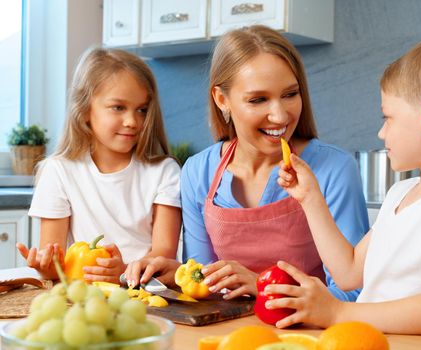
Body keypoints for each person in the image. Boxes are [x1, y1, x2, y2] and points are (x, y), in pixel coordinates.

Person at [266, 37, 421, 335]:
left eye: (388, 117)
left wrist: (339, 311)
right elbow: (349, 273)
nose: (381, 132)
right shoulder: (401, 193)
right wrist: (311, 198)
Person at [126, 25, 369, 300]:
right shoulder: (198, 172)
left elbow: (356, 292)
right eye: (258, 99)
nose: (279, 116)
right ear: (222, 99)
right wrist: (177, 276)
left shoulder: (333, 169)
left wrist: (264, 287)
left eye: (290, 94)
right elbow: (206, 284)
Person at [16, 47, 182, 284]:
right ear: (84, 110)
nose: (131, 121)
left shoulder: (164, 171)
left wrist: (123, 272)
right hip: (80, 298)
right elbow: (55, 268)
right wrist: (43, 267)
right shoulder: (58, 171)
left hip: (143, 295)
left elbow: (163, 256)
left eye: (142, 110)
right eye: (118, 107)